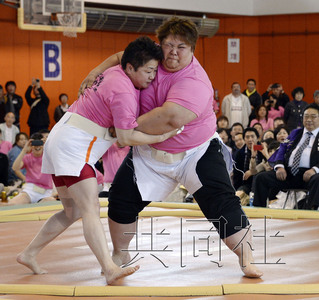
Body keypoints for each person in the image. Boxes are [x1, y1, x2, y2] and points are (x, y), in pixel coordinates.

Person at [80, 17, 263, 278]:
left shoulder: (196, 81)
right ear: (160, 43)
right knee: (120, 198)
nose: (173, 52)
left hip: (195, 152)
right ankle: (120, 252)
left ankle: (247, 257)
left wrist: (123, 129)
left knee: (222, 202)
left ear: (193, 49)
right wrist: (93, 72)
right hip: (148, 153)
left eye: (181, 47)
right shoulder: (152, 57)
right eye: (168, 45)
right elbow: (122, 57)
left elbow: (169, 118)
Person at [17, 36, 179, 285]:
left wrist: (93, 71)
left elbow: (117, 55)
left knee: (71, 212)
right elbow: (125, 138)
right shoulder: (124, 91)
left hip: (61, 138)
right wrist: (164, 134)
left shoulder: (115, 70)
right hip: (74, 148)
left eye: (155, 71)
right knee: (91, 209)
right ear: (131, 67)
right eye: (149, 71)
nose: (152, 77)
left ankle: (28, 253)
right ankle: (109, 266)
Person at [253, 103, 319, 208]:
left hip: (310, 175)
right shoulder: (295, 133)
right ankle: (259, 211)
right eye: (306, 116)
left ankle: (311, 213)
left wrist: (315, 169)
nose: (309, 119)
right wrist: (279, 167)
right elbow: (281, 149)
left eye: (313, 117)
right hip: (288, 173)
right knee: (261, 178)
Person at [4, 133, 56, 205]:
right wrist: (24, 150)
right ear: (31, 145)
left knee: (52, 203)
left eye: (40, 143)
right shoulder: (27, 157)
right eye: (34, 143)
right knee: (9, 204)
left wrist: (48, 145)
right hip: (30, 190)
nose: (37, 146)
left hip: (46, 192)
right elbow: (15, 168)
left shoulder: (48, 157)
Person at [233, 127, 265, 199]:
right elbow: (237, 175)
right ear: (244, 139)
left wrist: (251, 171)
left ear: (257, 138)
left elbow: (267, 164)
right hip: (246, 184)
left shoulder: (262, 149)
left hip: (262, 183)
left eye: (252, 136)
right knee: (238, 196)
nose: (250, 139)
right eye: (247, 137)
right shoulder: (240, 153)